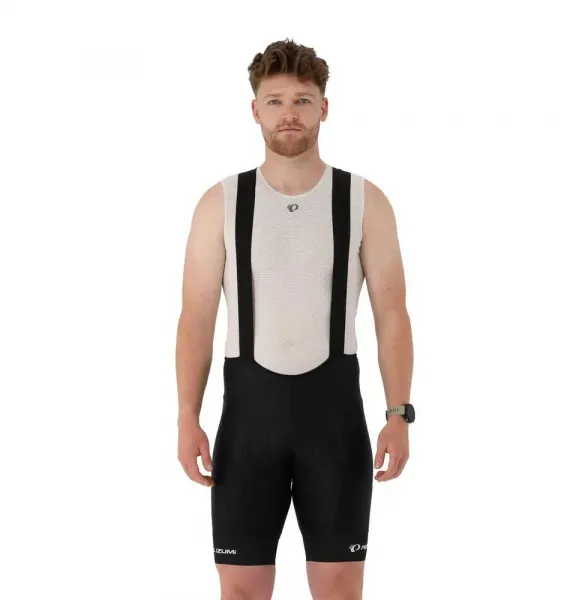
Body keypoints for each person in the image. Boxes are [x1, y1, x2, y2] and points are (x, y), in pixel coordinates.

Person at [176, 38, 415, 600]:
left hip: (334, 426)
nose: (289, 113)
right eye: (276, 101)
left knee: (339, 589)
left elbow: (392, 314)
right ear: (255, 109)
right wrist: (187, 416)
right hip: (247, 428)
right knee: (240, 591)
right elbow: (196, 318)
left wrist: (398, 414)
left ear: (323, 108)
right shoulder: (220, 202)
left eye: (303, 101)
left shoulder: (364, 200)